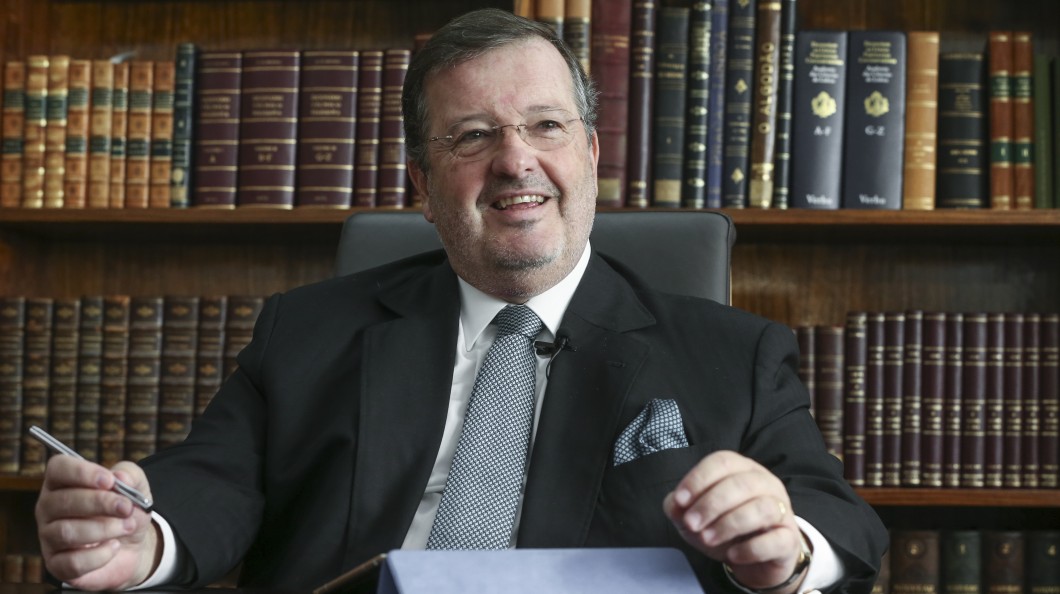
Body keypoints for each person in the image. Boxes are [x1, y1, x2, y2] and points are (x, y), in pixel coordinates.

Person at [35, 8, 887, 593]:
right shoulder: (309, 332)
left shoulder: (733, 354)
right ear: (422, 183)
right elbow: (212, 482)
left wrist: (783, 551)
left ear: (590, 155)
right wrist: (144, 538)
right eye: (474, 135)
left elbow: (839, 524)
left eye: (546, 125)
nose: (516, 160)